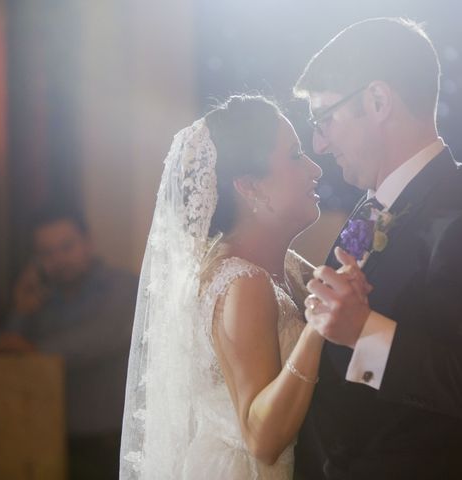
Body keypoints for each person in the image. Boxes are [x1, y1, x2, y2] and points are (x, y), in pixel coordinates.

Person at [292, 17, 462, 479]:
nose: (321, 143)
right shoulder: (374, 205)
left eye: (326, 119)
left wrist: (366, 333)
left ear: (378, 100)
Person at [119, 95, 371, 479]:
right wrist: (316, 329)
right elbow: (261, 439)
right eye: (295, 155)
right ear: (251, 186)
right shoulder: (243, 283)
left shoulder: (283, 265)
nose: (315, 169)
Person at [0, 208, 138, 479]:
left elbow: (101, 337)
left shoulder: (123, 287)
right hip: (44, 444)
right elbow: (4, 360)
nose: (58, 259)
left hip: (111, 445)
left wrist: (33, 351)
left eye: (66, 246)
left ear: (88, 242)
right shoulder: (40, 301)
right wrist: (21, 310)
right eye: (46, 253)